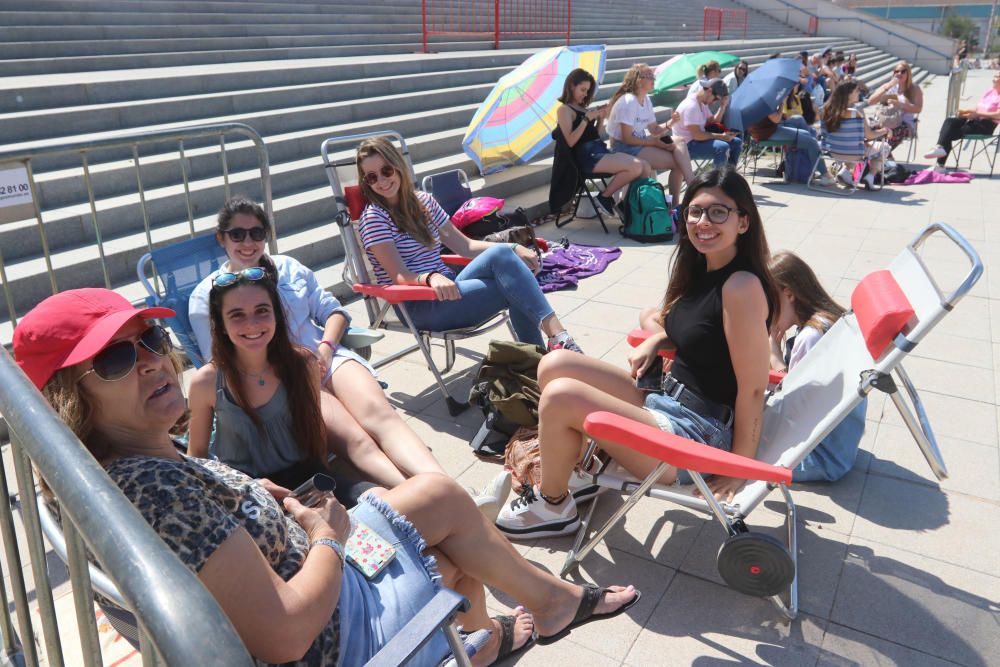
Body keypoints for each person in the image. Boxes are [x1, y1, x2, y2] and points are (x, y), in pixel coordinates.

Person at [12, 288, 640, 667]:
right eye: (118, 358)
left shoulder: (141, 458)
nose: (152, 361)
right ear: (71, 399)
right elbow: (284, 635)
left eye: (150, 337)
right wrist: (328, 536)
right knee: (454, 554)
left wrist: (275, 498)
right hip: (332, 627)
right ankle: (497, 628)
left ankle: (499, 627)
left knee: (441, 500)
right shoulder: (152, 491)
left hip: (307, 566)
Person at [496, 168, 778, 537]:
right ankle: (576, 469)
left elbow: (754, 388)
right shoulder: (704, 269)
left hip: (694, 435)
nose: (702, 222)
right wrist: (656, 340)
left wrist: (737, 469)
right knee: (555, 364)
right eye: (694, 211)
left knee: (561, 396)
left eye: (718, 212)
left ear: (743, 222)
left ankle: (553, 505)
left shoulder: (742, 286)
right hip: (664, 401)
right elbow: (689, 328)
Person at [189, 198, 443, 489]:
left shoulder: (288, 267)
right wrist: (299, 372)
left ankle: (448, 489)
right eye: (237, 234)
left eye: (257, 233)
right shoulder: (207, 294)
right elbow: (222, 362)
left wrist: (325, 349)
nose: (248, 242)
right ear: (221, 238)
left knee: (380, 415)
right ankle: (422, 492)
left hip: (325, 356)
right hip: (285, 380)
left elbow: (333, 310)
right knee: (359, 441)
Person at [356, 137, 584, 353]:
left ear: (397, 167)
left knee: (505, 258)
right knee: (517, 286)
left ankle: (550, 347)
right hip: (419, 303)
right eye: (372, 177)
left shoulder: (423, 201)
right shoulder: (375, 218)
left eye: (386, 171)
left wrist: (514, 248)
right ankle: (552, 348)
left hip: (450, 289)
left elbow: (464, 246)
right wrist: (430, 277)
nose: (382, 181)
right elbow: (399, 275)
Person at [768, 252, 866, 482]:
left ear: (789, 294)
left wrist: (774, 355)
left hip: (821, 458)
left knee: (741, 438)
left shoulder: (810, 338)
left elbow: (791, 406)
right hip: (841, 446)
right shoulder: (831, 320)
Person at [556, 67, 648, 218]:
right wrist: (587, 119)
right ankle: (604, 197)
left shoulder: (582, 108)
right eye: (583, 89)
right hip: (585, 158)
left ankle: (626, 204)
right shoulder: (564, 110)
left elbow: (594, 137)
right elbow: (571, 141)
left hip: (596, 151)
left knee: (644, 166)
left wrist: (599, 119)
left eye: (587, 91)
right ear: (571, 86)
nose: (585, 94)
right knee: (636, 166)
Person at [606, 63, 695, 205]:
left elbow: (653, 129)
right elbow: (626, 138)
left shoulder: (646, 99)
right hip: (624, 147)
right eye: (650, 76)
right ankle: (684, 196)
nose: (654, 79)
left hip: (640, 143)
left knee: (679, 141)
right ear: (638, 79)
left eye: (653, 76)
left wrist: (670, 123)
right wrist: (653, 142)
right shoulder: (629, 101)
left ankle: (684, 193)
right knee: (678, 163)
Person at [924, 71, 1000, 171]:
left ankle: (940, 164)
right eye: (994, 76)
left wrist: (978, 114)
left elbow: (998, 115)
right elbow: (979, 108)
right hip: (975, 119)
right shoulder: (990, 91)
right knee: (950, 121)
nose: (993, 79)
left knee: (949, 132)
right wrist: (965, 111)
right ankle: (939, 148)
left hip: (985, 126)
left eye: (997, 77)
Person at [748, 98, 834, 187]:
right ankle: (825, 174)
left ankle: (809, 169)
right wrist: (782, 104)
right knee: (811, 142)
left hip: (769, 129)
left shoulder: (759, 99)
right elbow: (776, 118)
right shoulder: (763, 101)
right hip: (767, 133)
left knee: (806, 133)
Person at [822, 80, 890, 189]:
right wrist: (885, 130)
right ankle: (870, 176)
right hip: (854, 153)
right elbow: (869, 135)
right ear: (849, 94)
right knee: (884, 147)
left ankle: (846, 171)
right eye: (857, 90)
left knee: (857, 145)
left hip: (832, 151)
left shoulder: (827, 109)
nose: (860, 92)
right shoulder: (856, 111)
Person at [673, 78, 743, 168]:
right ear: (709, 91)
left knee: (737, 142)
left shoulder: (701, 103)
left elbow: (713, 121)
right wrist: (720, 136)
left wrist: (722, 106)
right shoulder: (691, 106)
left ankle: (729, 176)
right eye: (715, 99)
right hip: (686, 145)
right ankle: (717, 180)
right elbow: (697, 135)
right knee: (722, 147)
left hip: (697, 141)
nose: (714, 103)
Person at [867, 61, 923, 151]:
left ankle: (883, 156)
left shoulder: (914, 89)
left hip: (904, 123)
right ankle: (884, 157)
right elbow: (870, 101)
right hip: (885, 120)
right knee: (869, 130)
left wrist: (900, 104)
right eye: (896, 71)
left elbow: (918, 109)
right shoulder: (888, 86)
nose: (899, 73)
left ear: (908, 73)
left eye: (903, 71)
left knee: (888, 133)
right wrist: (888, 87)